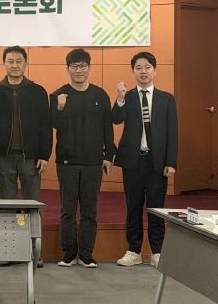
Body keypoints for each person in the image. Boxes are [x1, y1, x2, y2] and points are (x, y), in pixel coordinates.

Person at [0, 45, 51, 267]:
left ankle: (33, 252)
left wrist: (44, 154)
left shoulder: (37, 91)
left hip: (31, 158)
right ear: (4, 64)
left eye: (19, 61)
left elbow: (46, 125)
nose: (15, 65)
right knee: (6, 206)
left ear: (25, 64)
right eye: (10, 61)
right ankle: (7, 251)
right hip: (4, 157)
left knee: (32, 206)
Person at [50, 49, 115, 268]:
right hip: (67, 162)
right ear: (67, 68)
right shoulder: (58, 95)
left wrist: (109, 155)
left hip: (93, 162)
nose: (79, 70)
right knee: (67, 210)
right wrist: (60, 107)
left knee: (90, 210)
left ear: (89, 67)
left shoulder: (100, 95)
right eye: (74, 66)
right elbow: (55, 125)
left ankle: (86, 254)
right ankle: (68, 253)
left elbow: (107, 127)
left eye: (83, 65)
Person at [113, 51, 178, 268]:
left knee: (156, 208)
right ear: (133, 71)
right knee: (133, 208)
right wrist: (120, 99)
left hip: (157, 162)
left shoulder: (167, 99)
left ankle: (158, 252)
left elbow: (172, 132)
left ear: (155, 70)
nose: (143, 71)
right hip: (133, 161)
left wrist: (171, 162)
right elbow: (115, 119)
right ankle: (134, 251)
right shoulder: (128, 97)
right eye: (138, 67)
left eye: (147, 67)